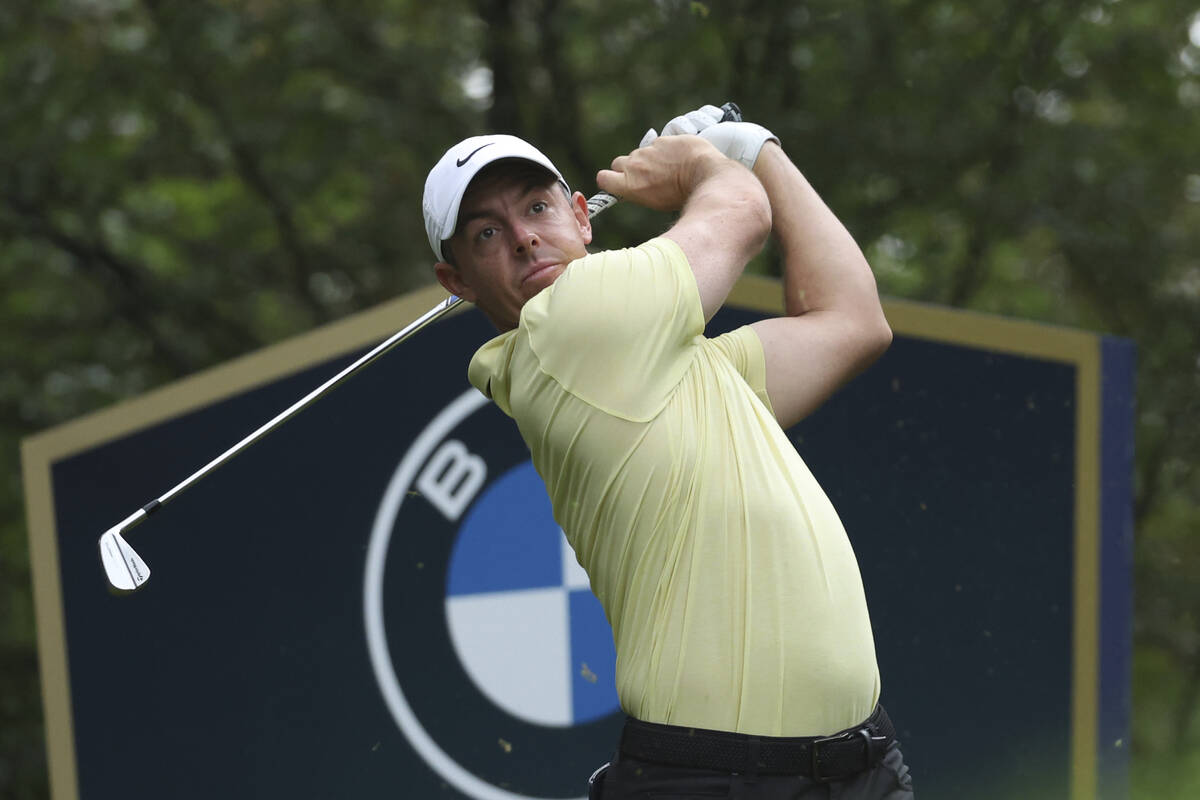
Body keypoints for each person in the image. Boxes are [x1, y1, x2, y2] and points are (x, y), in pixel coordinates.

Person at [422, 105, 914, 799]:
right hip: (714, 779)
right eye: (487, 233)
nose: (526, 240)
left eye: (537, 207)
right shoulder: (564, 329)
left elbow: (853, 321)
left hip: (858, 766)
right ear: (458, 282)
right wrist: (707, 162)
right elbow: (741, 215)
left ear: (583, 219)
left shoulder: (673, 368)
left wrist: (755, 147)